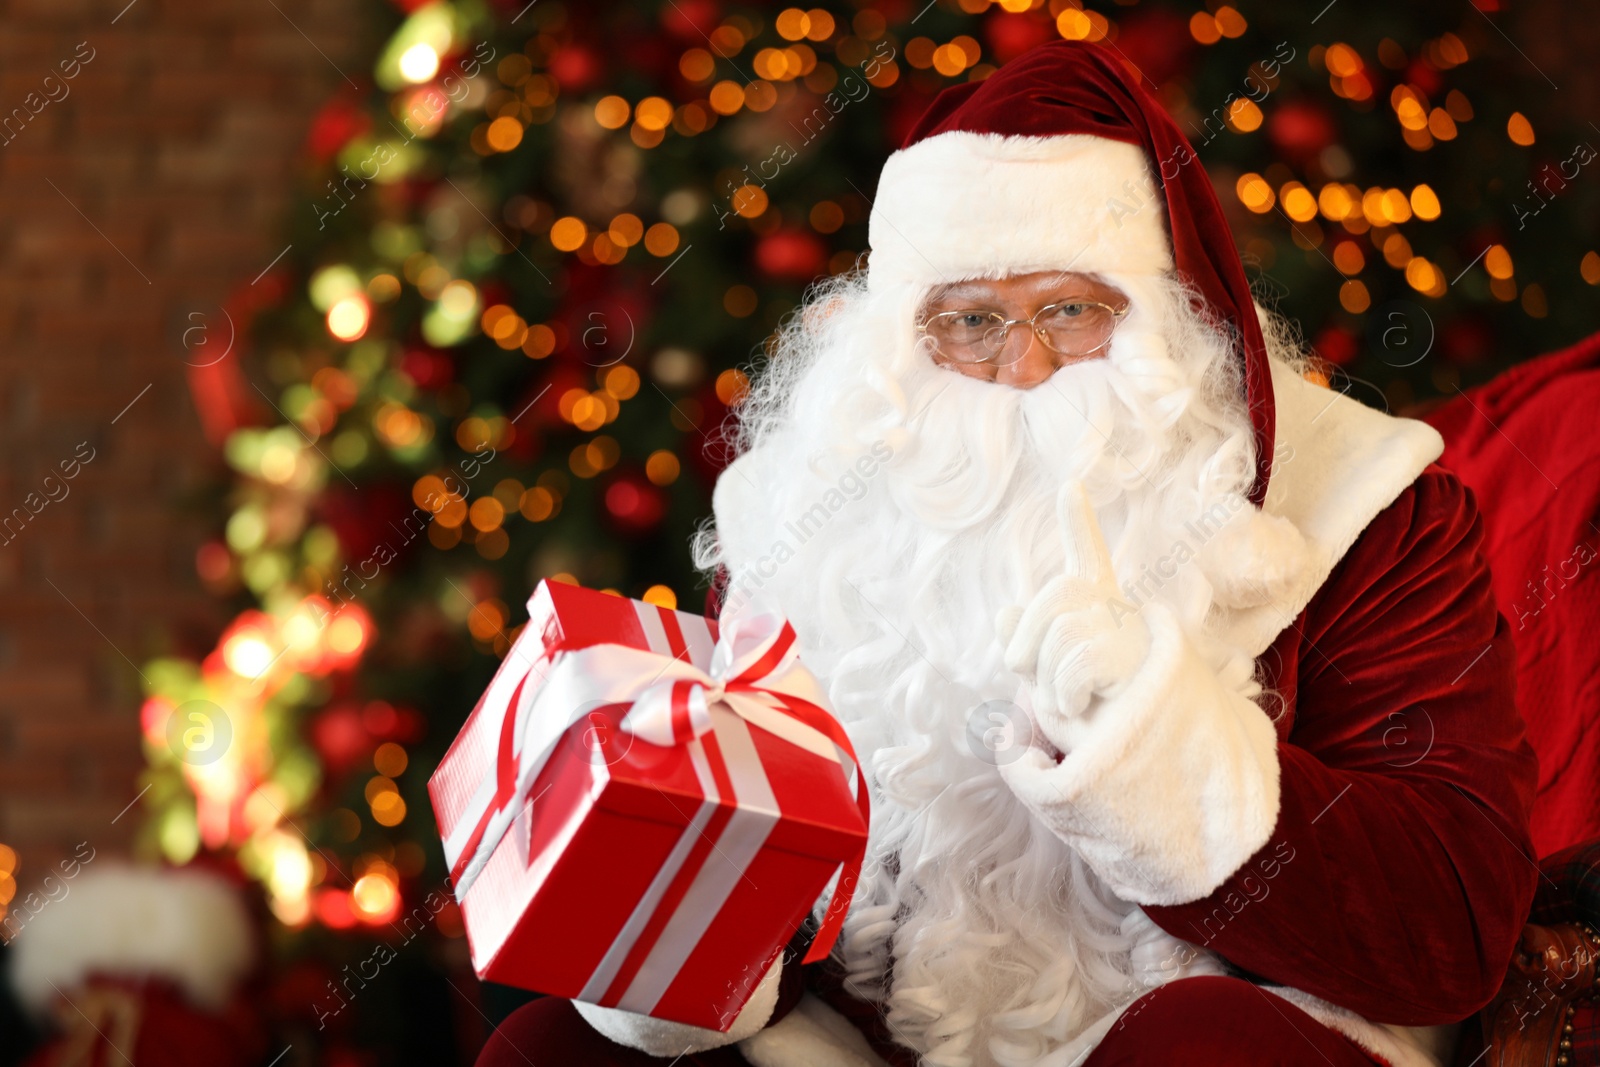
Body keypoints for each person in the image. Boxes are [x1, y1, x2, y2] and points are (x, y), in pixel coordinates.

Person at [477, 38, 1537, 1067]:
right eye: (970, 321)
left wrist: (1153, 749)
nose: (1023, 366)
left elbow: (1454, 924)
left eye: (1070, 310)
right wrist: (660, 883)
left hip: (1232, 1024)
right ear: (900, 342)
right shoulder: (814, 521)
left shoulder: (1364, 509)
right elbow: (775, 916)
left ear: (1175, 316)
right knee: (554, 1047)